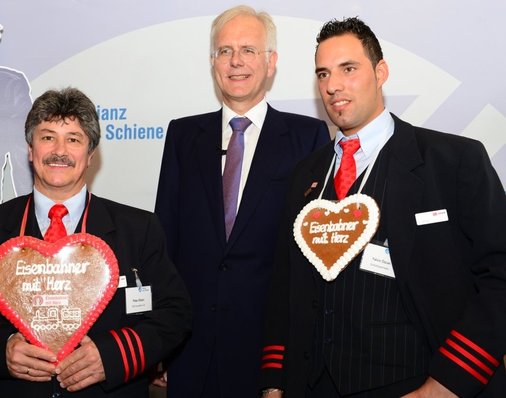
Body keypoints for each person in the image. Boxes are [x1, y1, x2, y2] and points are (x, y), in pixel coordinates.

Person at [260, 17, 506, 397]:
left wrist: (444, 386)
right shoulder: (305, 175)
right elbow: (284, 287)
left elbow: (500, 276)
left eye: (348, 69)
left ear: (381, 72)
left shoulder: (452, 161)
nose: (333, 86)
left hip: (417, 385)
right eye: (322, 74)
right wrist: (273, 384)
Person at [154, 5, 330, 398]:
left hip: (269, 352)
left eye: (249, 50)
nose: (236, 62)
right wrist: (159, 341)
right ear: (212, 62)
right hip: (189, 349)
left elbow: (315, 257)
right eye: (224, 51)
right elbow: (164, 242)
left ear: (271, 63)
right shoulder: (183, 136)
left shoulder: (308, 137)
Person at [0, 87, 192, 397]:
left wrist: (113, 356)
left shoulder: (138, 229)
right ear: (30, 150)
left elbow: (175, 314)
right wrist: (3, 351)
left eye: (73, 139)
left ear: (91, 155)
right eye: (48, 137)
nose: (59, 151)